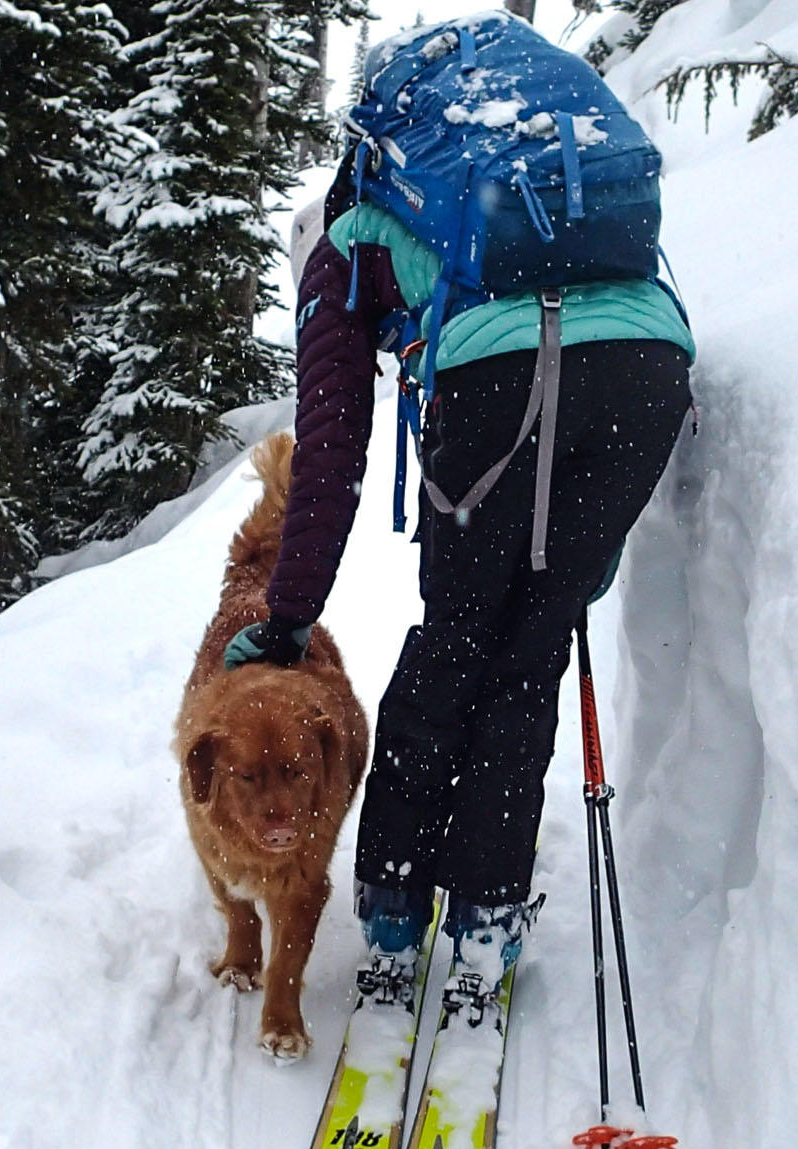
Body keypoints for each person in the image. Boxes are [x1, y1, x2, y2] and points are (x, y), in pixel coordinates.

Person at [224, 59, 694, 1013]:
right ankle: (486, 918)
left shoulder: (340, 256)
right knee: (529, 655)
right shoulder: (531, 215)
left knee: (453, 646)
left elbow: (329, 460)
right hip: (647, 370)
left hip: (497, 382)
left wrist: (288, 619)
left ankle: (397, 912)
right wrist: (571, 569)